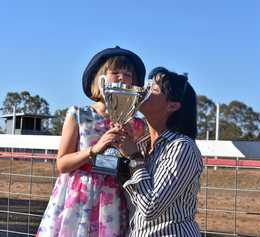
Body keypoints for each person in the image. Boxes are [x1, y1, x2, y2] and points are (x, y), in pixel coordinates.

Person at [36, 46, 146, 237]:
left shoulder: (137, 124)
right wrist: (94, 150)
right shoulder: (79, 115)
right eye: (115, 72)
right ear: (100, 77)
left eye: (128, 74)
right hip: (78, 199)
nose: (122, 78)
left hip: (115, 200)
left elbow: (138, 164)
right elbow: (62, 164)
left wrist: (129, 149)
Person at [117, 67, 203, 236]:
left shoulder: (182, 147)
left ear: (172, 106)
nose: (144, 91)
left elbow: (150, 208)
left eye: (154, 90)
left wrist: (134, 157)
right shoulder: (141, 144)